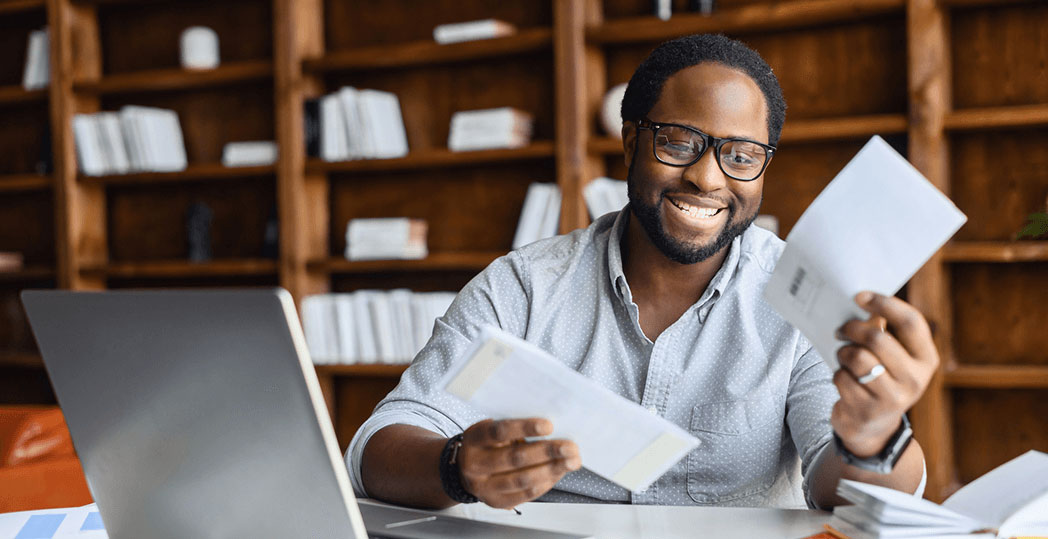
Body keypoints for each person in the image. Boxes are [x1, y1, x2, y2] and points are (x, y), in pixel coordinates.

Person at [345, 34, 937, 510]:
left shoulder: (799, 294)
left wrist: (876, 435)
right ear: (630, 142)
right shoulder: (523, 286)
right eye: (679, 143)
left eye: (740, 155)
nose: (707, 179)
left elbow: (839, 492)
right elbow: (379, 445)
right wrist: (457, 467)